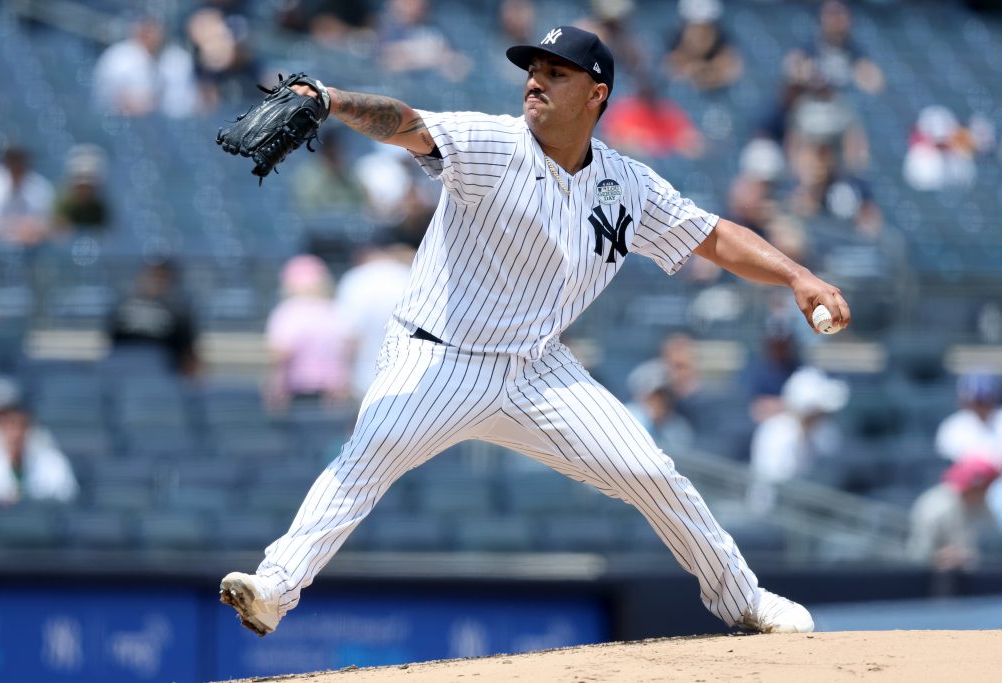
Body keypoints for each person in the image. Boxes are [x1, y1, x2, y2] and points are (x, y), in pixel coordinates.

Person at [220, 25, 852, 638]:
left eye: (556, 73)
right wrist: (331, 100)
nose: (535, 82)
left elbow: (712, 236)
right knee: (366, 459)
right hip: (441, 356)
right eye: (532, 70)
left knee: (653, 473)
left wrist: (798, 276)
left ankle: (744, 601)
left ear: (596, 93)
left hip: (538, 369)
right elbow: (406, 121)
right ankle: (275, 588)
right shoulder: (492, 144)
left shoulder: (626, 184)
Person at [749, 366, 848, 512]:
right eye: (816, 412)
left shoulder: (825, 433)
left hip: (810, 511)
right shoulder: (774, 433)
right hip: (774, 512)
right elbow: (778, 482)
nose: (820, 416)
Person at [264, 254, 351, 412]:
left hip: (296, 392)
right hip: (332, 394)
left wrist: (272, 387)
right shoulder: (335, 310)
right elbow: (348, 349)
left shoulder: (288, 311)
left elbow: (281, 354)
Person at [335, 235, 415, 402]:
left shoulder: (355, 279)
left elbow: (349, 336)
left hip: (366, 379)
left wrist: (341, 374)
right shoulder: (408, 275)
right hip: (410, 374)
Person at [0, 377, 79, 505]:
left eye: (21, 425)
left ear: (29, 427)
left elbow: (67, 499)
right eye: (8, 426)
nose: (15, 434)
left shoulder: (53, 463)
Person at [106, 260, 201, 377]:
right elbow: (112, 346)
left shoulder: (178, 312)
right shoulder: (122, 307)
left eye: (161, 278)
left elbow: (189, 358)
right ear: (141, 278)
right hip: (122, 373)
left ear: (171, 282)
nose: (155, 282)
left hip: (160, 376)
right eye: (152, 277)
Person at [907, 454, 1000, 571]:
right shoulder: (936, 508)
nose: (985, 490)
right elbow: (917, 557)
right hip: (934, 579)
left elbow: (993, 550)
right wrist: (940, 557)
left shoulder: (983, 506)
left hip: (976, 578)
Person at [92, 16, 198, 118]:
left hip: (163, 123)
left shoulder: (178, 59)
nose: (152, 35)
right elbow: (104, 97)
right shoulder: (118, 58)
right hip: (121, 120)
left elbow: (184, 101)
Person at [0, 146, 54, 245]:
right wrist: (16, 227)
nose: (16, 166)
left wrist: (34, 227)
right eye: (12, 162)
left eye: (19, 162)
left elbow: (50, 224)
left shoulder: (40, 186)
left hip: (31, 252)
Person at [935, 372, 1002, 465]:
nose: (981, 405)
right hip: (967, 478)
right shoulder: (952, 426)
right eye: (976, 401)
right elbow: (947, 463)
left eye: (985, 400)